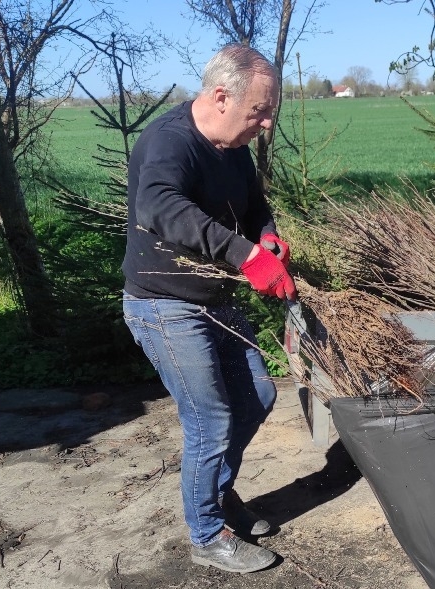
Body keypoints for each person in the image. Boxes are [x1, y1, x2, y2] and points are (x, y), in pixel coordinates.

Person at [121, 44, 296, 574]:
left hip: (213, 298)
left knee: (259, 395)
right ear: (221, 96)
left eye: (269, 112)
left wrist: (266, 237)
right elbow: (159, 207)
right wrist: (244, 256)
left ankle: (217, 497)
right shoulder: (170, 142)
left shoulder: (232, 144)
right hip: (164, 304)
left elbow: (253, 203)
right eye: (259, 112)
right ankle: (206, 532)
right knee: (211, 418)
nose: (266, 124)